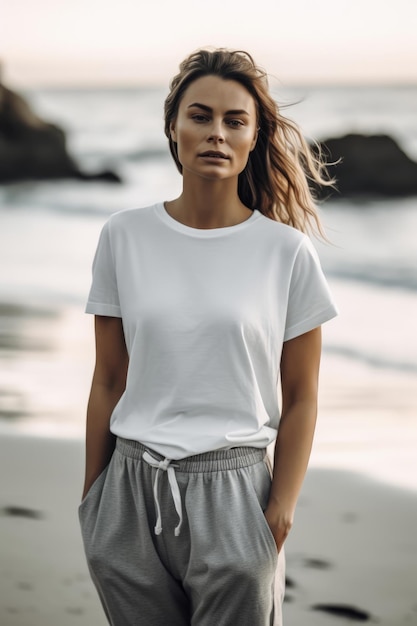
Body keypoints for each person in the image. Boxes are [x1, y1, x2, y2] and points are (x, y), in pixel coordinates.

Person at [79, 47, 338, 626]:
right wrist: (93, 500)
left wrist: (281, 509)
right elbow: (109, 378)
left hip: (237, 494)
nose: (216, 133)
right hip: (129, 487)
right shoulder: (123, 237)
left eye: (234, 121)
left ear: (254, 137)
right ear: (173, 128)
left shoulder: (287, 254)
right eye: (200, 116)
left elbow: (301, 395)